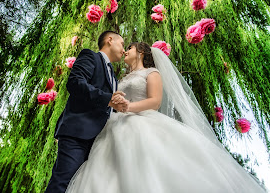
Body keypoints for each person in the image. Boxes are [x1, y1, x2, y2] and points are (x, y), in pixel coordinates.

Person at [65, 42, 266, 193]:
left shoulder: (151, 73)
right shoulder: (121, 79)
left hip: (142, 123)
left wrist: (128, 107)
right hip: (114, 125)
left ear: (141, 52)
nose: (126, 51)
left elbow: (155, 101)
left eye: (130, 48)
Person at [45, 31, 129, 193]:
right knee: (63, 182)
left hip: (99, 141)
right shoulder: (90, 56)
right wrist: (108, 99)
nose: (124, 50)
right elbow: (76, 83)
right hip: (78, 134)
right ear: (109, 40)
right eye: (122, 44)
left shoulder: (113, 76)